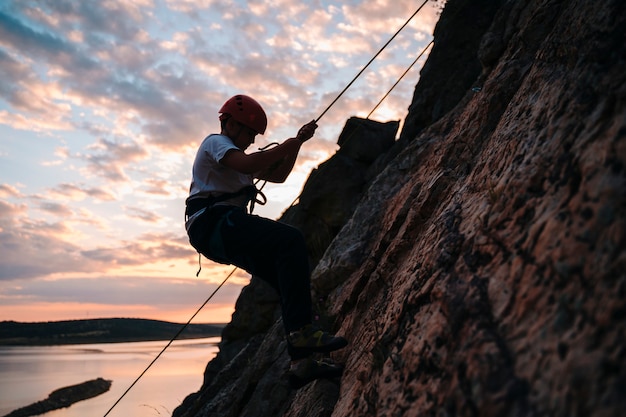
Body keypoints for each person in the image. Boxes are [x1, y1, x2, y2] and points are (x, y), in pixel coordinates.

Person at [185, 94, 347, 388]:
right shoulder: (217, 143)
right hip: (213, 222)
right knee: (290, 240)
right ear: (230, 124)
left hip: (216, 231)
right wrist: (287, 144)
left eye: (254, 135)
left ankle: (302, 362)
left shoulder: (237, 157)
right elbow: (247, 164)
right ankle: (302, 336)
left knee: (284, 278)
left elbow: (280, 175)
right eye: (248, 132)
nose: (250, 139)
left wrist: (297, 143)